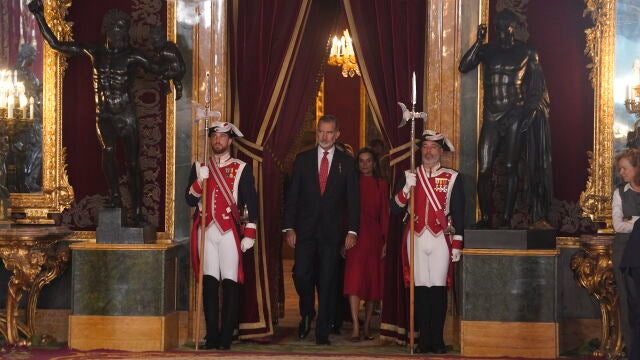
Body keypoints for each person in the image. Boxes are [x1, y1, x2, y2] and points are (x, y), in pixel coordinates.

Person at [29, 0, 167, 226]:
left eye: (123, 27)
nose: (119, 32)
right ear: (107, 28)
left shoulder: (133, 56)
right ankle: (115, 198)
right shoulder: (96, 52)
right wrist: (39, 16)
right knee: (108, 154)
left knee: (133, 163)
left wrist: (168, 55)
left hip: (126, 114)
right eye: (116, 27)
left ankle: (139, 211)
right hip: (104, 116)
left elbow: (160, 69)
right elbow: (56, 44)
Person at [459, 9, 552, 227]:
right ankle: (484, 217)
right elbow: (464, 66)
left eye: (504, 27)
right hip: (492, 114)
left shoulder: (527, 51)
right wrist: (478, 42)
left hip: (514, 113)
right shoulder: (487, 50)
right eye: (497, 28)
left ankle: (507, 219)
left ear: (513, 27)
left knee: (510, 166)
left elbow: (537, 85)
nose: (501, 32)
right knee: (484, 168)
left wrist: (529, 111)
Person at [284, 115, 359, 345]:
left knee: (327, 281)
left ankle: (322, 332)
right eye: (320, 132)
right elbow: (293, 197)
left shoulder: (346, 163)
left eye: (329, 133)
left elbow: (353, 200)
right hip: (305, 231)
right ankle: (307, 311)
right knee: (303, 274)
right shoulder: (303, 159)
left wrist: (352, 231)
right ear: (317, 133)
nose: (324, 136)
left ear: (337, 134)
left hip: (331, 233)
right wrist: (289, 227)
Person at [185, 121, 258, 350]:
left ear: (230, 141)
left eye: (222, 137)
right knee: (208, 283)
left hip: (229, 233)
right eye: (214, 136)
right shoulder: (199, 167)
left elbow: (251, 203)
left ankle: (226, 337)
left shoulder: (241, 167)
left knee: (230, 283)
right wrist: (199, 181)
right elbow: (189, 200)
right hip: (206, 231)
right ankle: (212, 336)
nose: (218, 140)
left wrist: (250, 232)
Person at [391, 130, 464, 354]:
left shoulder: (452, 177)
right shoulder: (409, 175)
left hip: (441, 239)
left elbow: (460, 212)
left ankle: (437, 340)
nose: (428, 151)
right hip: (416, 238)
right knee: (421, 289)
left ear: (440, 151)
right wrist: (405, 188)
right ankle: (423, 340)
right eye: (425, 147)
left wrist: (458, 243)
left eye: (433, 147)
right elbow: (395, 209)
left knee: (438, 289)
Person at [343, 147, 388, 341]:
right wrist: (342, 240)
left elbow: (385, 214)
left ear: (374, 163)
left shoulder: (381, 184)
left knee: (372, 284)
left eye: (368, 160)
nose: (365, 164)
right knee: (354, 282)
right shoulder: (352, 182)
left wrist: (386, 241)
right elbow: (344, 212)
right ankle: (355, 326)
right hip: (354, 237)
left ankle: (367, 327)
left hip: (374, 237)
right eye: (361, 161)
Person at [612, 148, 640, 356]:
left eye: (625, 168)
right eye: (619, 169)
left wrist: (633, 220)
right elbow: (618, 226)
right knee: (630, 303)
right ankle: (633, 352)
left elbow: (627, 222)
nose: (621, 173)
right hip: (625, 255)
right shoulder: (619, 193)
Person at [150, 26, 186, 100]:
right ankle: (179, 92)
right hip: (182, 67)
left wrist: (161, 68)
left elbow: (164, 64)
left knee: (163, 77)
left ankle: (168, 90)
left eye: (155, 42)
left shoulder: (163, 52)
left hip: (175, 69)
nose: (154, 45)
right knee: (177, 80)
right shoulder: (170, 44)